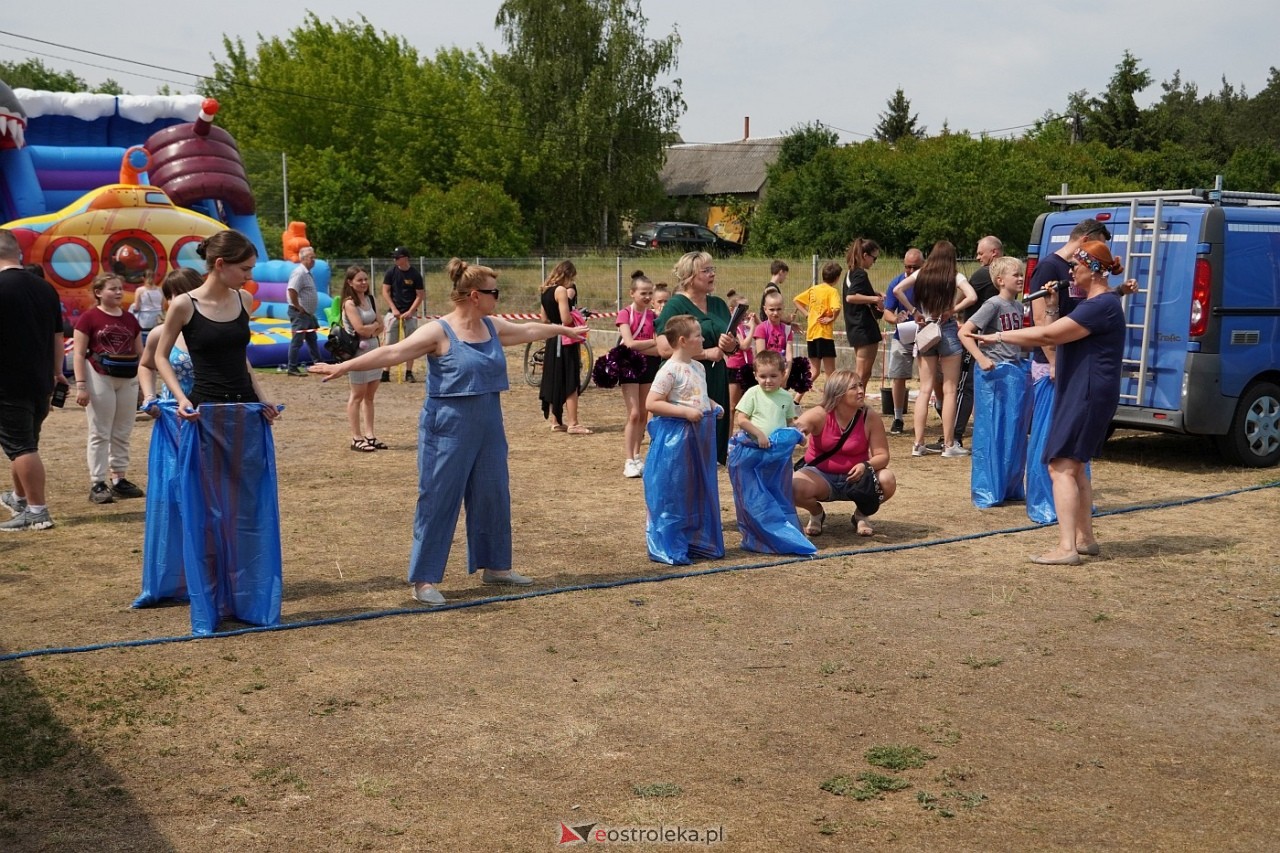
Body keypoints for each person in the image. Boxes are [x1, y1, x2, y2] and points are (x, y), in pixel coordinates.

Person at [311, 258, 587, 605]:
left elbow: (530, 331)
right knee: (438, 498)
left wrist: (564, 330)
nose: (498, 297)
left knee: (493, 493)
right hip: (447, 426)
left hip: (489, 422)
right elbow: (392, 352)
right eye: (494, 292)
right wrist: (343, 367)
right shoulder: (439, 331)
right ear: (475, 295)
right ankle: (424, 579)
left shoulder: (491, 326)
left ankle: (496, 566)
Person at [967, 241, 1129, 565]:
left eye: (1076, 266)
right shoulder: (1098, 304)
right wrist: (1052, 307)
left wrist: (996, 337)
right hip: (1087, 391)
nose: (1071, 272)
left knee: (1061, 467)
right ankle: (1084, 539)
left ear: (1093, 269)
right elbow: (1054, 332)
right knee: (1076, 466)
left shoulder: (1100, 305)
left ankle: (1067, 547)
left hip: (1086, 393)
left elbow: (1047, 336)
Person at [153, 230, 280, 421]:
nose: (249, 276)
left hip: (246, 405)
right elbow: (160, 356)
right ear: (220, 264)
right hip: (204, 409)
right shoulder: (184, 304)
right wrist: (181, 399)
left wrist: (262, 400)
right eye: (244, 269)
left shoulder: (244, 299)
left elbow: (240, 357)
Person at [0, 229, 66, 531]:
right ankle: (19, 498)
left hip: (7, 383)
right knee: (26, 443)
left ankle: (37, 511)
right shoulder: (45, 288)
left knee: (21, 447)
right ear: (18, 253)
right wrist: (57, 373)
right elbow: (58, 336)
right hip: (40, 381)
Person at [893, 241, 977, 458]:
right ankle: (949, 445)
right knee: (949, 390)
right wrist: (953, 310)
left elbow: (897, 290)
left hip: (925, 329)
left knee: (924, 389)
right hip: (946, 329)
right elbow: (972, 296)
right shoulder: (954, 276)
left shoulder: (921, 274)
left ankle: (918, 443)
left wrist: (914, 311)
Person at [654, 252, 739, 464]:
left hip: (716, 378)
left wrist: (730, 346)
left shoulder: (719, 304)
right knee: (687, 451)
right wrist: (705, 354)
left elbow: (732, 345)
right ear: (690, 276)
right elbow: (664, 348)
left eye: (713, 269)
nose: (712, 274)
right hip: (685, 382)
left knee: (712, 448)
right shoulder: (675, 305)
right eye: (706, 270)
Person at [792, 369, 897, 537]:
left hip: (857, 480)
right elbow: (799, 426)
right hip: (821, 475)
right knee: (794, 486)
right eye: (854, 387)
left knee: (887, 479)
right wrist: (798, 431)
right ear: (838, 393)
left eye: (861, 385)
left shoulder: (869, 417)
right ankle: (816, 514)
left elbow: (882, 456)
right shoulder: (821, 413)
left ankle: (861, 515)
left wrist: (865, 465)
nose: (861, 391)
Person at [72, 273, 145, 504]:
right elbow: (78, 354)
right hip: (99, 376)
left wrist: (144, 386)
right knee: (100, 431)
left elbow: (141, 353)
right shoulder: (88, 318)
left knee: (123, 430)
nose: (118, 292)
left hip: (128, 378)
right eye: (112, 288)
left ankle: (119, 478)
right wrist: (81, 385)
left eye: (120, 288)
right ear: (98, 292)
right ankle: (98, 482)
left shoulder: (130, 319)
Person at [1028, 219, 1111, 381]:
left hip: (1073, 356)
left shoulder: (1082, 270)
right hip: (1050, 362)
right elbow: (1039, 318)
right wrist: (1053, 362)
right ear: (1085, 240)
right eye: (1096, 247)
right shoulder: (1049, 267)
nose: (1097, 254)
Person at [951, 235, 1004, 447]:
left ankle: (953, 436)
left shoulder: (984, 274)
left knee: (966, 387)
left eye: (981, 253)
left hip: (975, 336)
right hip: (997, 339)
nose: (978, 257)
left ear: (994, 252)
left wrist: (953, 312)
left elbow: (967, 295)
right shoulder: (1005, 275)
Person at [138, 268, 204, 408]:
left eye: (179, 294)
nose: (173, 300)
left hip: (213, 409)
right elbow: (146, 365)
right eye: (169, 296)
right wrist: (149, 396)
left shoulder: (218, 330)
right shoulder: (159, 334)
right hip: (174, 412)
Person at [538, 260, 591, 434]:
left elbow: (544, 319)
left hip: (552, 337)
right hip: (565, 339)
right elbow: (566, 319)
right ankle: (573, 423)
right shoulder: (560, 290)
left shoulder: (545, 290)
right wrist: (576, 315)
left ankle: (556, 421)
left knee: (556, 378)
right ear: (567, 275)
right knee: (570, 379)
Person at [616, 270, 660, 477]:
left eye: (650, 293)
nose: (647, 297)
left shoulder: (654, 316)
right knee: (633, 413)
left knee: (643, 412)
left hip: (649, 364)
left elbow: (659, 349)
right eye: (643, 293)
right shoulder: (625, 314)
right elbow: (629, 343)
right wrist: (651, 342)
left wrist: (645, 345)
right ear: (632, 293)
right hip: (630, 364)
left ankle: (637, 456)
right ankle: (628, 459)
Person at [338, 265, 386, 452]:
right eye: (359, 280)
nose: (364, 283)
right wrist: (373, 328)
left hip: (374, 350)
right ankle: (356, 437)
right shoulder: (349, 304)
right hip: (358, 353)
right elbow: (360, 330)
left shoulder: (371, 299)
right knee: (357, 395)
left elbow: (381, 325)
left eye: (365, 279)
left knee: (370, 396)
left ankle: (370, 435)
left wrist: (372, 328)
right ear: (350, 282)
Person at [880, 248, 924, 435]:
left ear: (923, 265)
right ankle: (898, 417)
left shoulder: (929, 282)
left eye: (915, 267)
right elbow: (887, 312)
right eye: (907, 267)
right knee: (898, 376)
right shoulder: (896, 283)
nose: (910, 271)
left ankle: (940, 407)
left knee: (934, 377)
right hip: (903, 335)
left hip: (927, 334)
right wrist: (895, 319)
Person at [842, 238, 884, 389]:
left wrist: (874, 293)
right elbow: (851, 297)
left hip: (855, 326)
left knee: (863, 372)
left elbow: (855, 292)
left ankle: (855, 399)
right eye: (874, 258)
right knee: (862, 373)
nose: (874, 262)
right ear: (865, 256)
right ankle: (853, 400)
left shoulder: (851, 272)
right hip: (864, 328)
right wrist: (875, 299)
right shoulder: (860, 274)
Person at [734, 350, 797, 448]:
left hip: (778, 448)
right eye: (763, 376)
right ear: (755, 376)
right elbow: (741, 419)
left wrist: (798, 434)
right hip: (755, 447)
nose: (768, 380)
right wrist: (759, 434)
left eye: (773, 376)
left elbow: (789, 422)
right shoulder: (753, 393)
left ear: (783, 374)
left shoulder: (787, 397)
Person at [794, 262, 842, 389]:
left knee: (814, 372)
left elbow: (796, 300)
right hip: (824, 335)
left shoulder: (813, 289)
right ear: (837, 278)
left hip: (811, 335)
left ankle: (797, 396)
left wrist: (807, 314)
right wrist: (832, 318)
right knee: (830, 373)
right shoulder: (833, 291)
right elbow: (837, 308)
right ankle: (829, 398)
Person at [381, 247, 424, 383]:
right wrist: (394, 309)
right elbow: (385, 291)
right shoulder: (391, 272)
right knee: (389, 343)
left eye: (397, 257)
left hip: (410, 314)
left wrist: (411, 311)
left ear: (405, 258)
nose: (395, 259)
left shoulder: (415, 274)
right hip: (393, 314)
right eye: (394, 257)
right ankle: (385, 372)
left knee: (411, 343)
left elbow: (420, 295)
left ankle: (409, 372)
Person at [286, 246, 323, 375]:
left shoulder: (307, 273)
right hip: (300, 313)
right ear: (303, 258)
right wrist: (297, 306)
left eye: (314, 257)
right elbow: (292, 289)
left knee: (312, 339)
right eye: (311, 257)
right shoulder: (299, 272)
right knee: (297, 341)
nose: (314, 260)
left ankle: (318, 363)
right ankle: (292, 367)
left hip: (308, 313)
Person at [725, 293, 757, 414]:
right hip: (735, 368)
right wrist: (752, 327)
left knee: (749, 404)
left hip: (747, 367)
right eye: (742, 309)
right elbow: (744, 346)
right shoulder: (734, 327)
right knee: (732, 406)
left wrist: (755, 321)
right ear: (732, 310)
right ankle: (730, 426)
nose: (745, 312)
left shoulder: (744, 325)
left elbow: (762, 329)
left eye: (746, 309)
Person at [129, 271, 164, 338]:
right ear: (154, 277)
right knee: (157, 336)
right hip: (158, 317)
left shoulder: (139, 290)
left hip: (145, 318)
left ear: (143, 278)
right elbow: (162, 307)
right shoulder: (160, 290)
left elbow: (137, 307)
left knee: (145, 336)